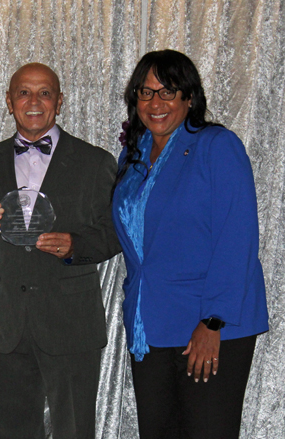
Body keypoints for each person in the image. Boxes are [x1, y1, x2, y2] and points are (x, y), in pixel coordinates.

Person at [112, 49, 269, 439]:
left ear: (189, 98)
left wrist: (212, 321)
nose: (155, 103)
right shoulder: (132, 157)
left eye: (168, 92)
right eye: (145, 93)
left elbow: (238, 238)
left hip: (208, 325)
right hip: (150, 325)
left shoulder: (217, 146)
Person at [0, 63, 120, 438]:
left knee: (74, 430)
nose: (34, 101)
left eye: (45, 93)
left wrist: (76, 245)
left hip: (72, 322)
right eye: (23, 92)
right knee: (10, 431)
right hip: (8, 323)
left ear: (60, 101)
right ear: (8, 101)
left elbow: (118, 233)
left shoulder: (95, 161)